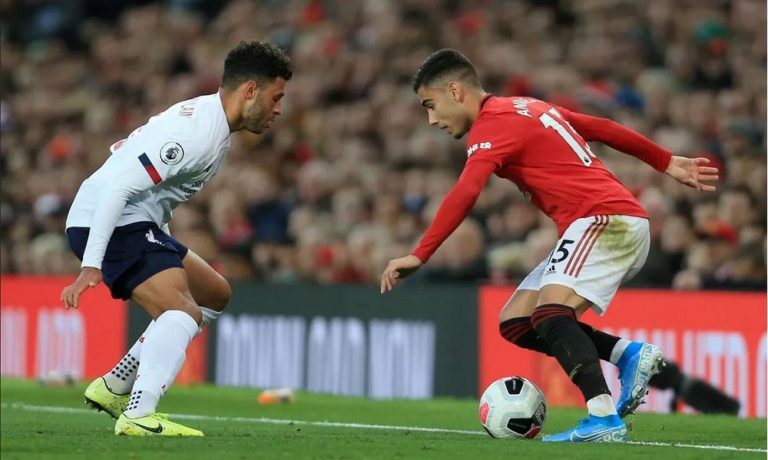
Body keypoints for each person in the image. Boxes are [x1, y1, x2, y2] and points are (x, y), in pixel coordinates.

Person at [380, 49, 718, 443]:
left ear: (455, 91)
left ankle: (603, 418)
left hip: (604, 221)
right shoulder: (526, 106)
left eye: (430, 105)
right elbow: (603, 127)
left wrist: (420, 253)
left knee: (552, 314)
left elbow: (466, 191)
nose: (432, 119)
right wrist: (664, 161)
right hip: (601, 223)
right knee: (518, 321)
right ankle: (626, 354)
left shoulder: (490, 127)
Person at [60, 41, 292, 436]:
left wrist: (162, 243)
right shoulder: (196, 134)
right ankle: (138, 412)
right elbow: (118, 188)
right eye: (276, 97)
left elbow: (153, 192)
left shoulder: (214, 125)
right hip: (108, 220)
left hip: (136, 221)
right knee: (183, 312)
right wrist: (91, 265)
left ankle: (114, 386)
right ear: (250, 90)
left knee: (213, 294)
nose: (279, 109)